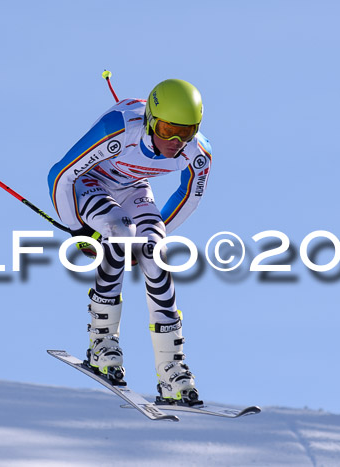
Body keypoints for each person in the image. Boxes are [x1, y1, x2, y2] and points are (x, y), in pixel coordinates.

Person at [48, 79, 212, 405]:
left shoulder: (198, 153)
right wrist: (77, 229)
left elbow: (187, 198)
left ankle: (171, 369)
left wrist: (152, 241)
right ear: (151, 119)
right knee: (120, 232)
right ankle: (101, 343)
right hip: (90, 181)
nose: (175, 142)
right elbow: (60, 174)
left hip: (134, 187)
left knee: (156, 254)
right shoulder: (119, 129)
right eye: (167, 130)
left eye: (187, 131)